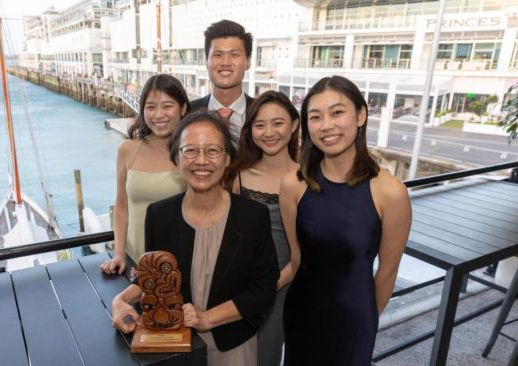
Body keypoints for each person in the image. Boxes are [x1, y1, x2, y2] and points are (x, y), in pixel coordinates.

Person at [111, 111, 279, 366]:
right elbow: (155, 279)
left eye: (212, 151)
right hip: (176, 345)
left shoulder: (253, 216)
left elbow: (262, 289)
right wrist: (119, 301)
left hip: (232, 346)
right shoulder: (159, 215)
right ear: (176, 158)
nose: (201, 161)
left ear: (228, 158)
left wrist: (207, 318)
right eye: (190, 151)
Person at [280, 76, 412, 365]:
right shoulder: (293, 184)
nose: (326, 125)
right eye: (315, 117)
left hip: (354, 321)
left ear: (361, 115)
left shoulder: (391, 192)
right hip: (302, 313)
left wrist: (363, 321)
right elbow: (297, 257)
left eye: (337, 112)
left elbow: (387, 273)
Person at [224, 90, 300, 366]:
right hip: (237, 286)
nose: (269, 132)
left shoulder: (306, 178)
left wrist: (266, 288)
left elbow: (303, 251)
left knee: (266, 356)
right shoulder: (238, 175)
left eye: (278, 123)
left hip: (284, 286)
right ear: (250, 130)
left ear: (293, 125)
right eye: (259, 125)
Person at [101, 74, 189, 274]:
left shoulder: (191, 152)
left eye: (167, 106)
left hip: (178, 260)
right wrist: (120, 254)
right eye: (150, 107)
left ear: (183, 108)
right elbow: (121, 206)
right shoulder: (127, 149)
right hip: (134, 258)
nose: (158, 114)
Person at [190, 20, 254, 142]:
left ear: (248, 62)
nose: (225, 63)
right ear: (206, 62)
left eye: (234, 55)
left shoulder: (261, 113)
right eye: (218, 55)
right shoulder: (188, 113)